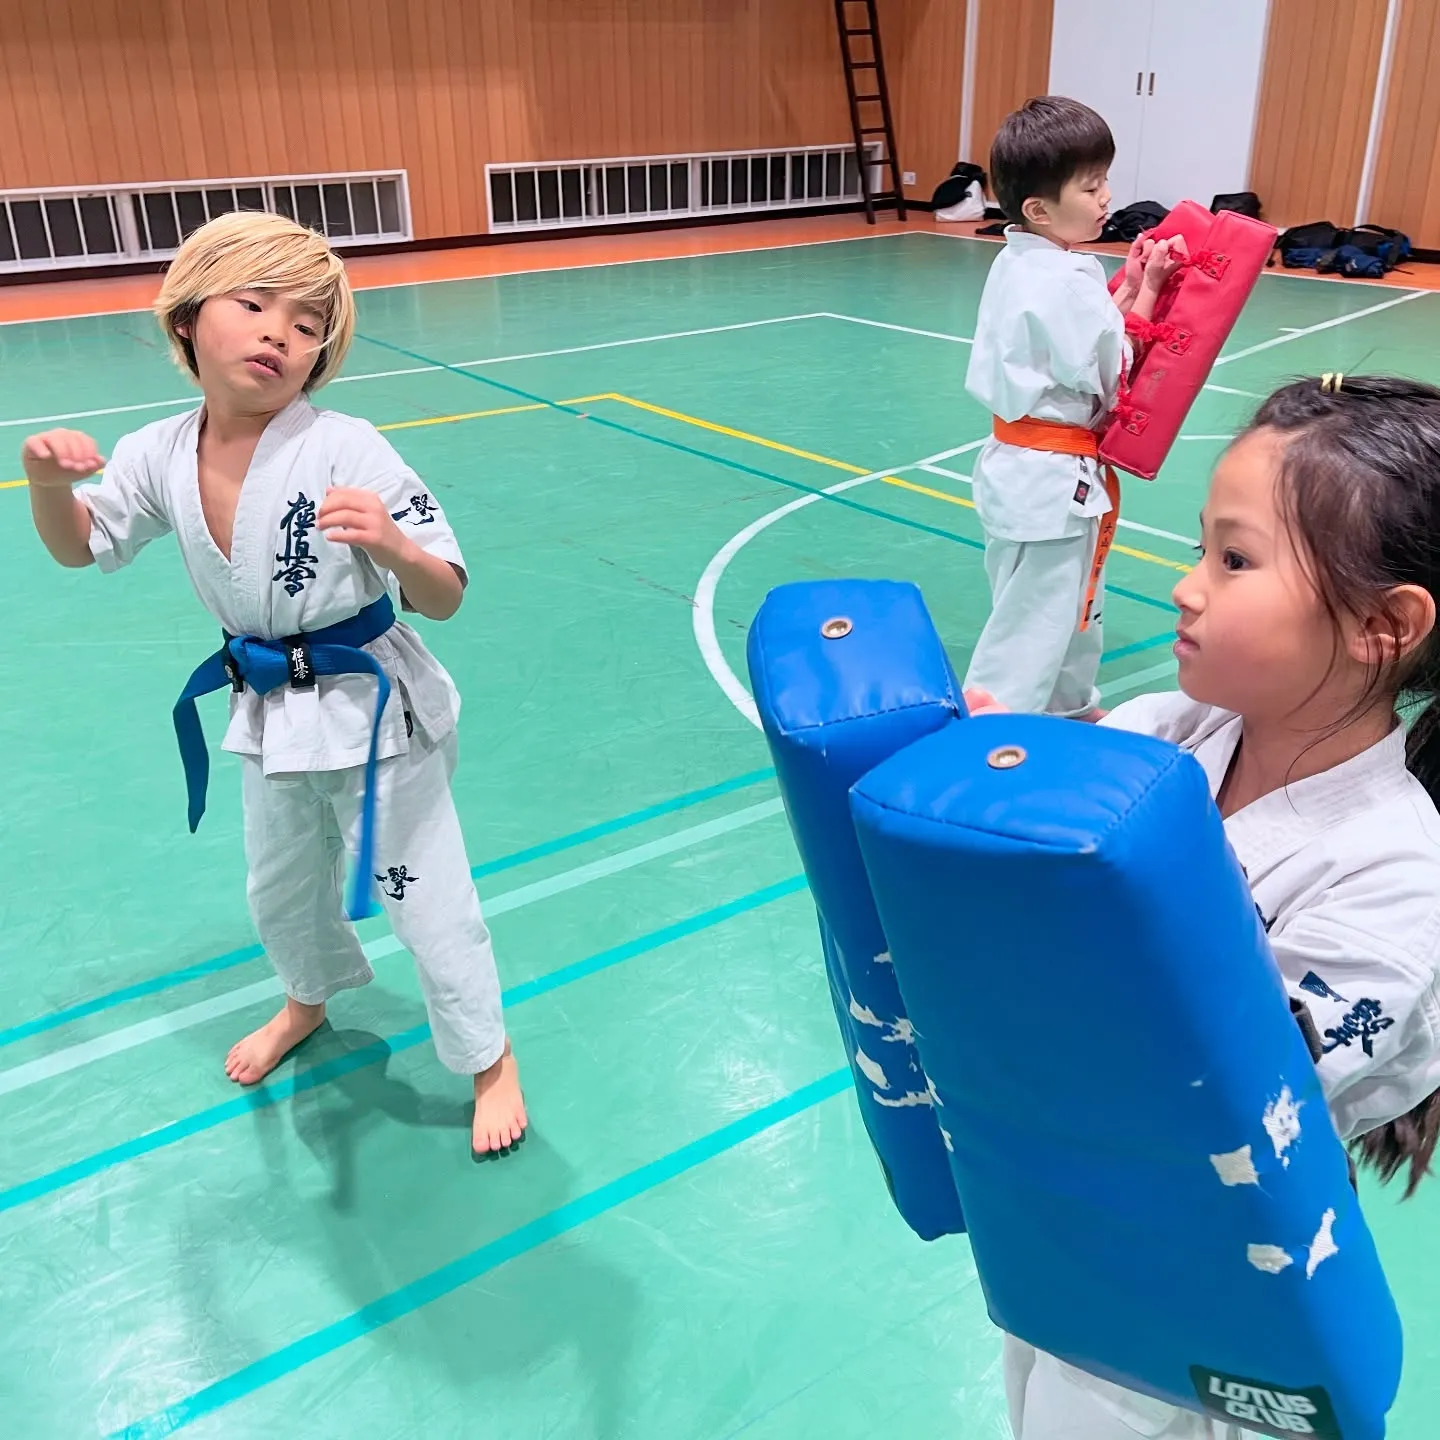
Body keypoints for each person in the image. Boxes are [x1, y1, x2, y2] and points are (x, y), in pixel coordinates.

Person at [972, 374, 1440, 1437]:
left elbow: (1226, 1084)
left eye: (1235, 561)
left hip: (1215, 1279)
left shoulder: (1392, 869)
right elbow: (1028, 841)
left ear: (1382, 624)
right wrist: (981, 776)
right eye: (1201, 549)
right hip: (1073, 1211)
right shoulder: (1170, 729)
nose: (1187, 588)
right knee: (1038, 1399)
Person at [20, 211, 527, 1158]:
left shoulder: (348, 445)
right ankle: (309, 998)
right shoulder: (156, 453)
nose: (277, 335)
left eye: (305, 327)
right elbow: (82, 546)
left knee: (421, 893)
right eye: (253, 305)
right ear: (185, 322)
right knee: (282, 887)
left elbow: (446, 593)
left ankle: (488, 1055)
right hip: (268, 707)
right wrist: (48, 486)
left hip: (376, 708)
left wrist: (393, 544)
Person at [963, 95, 1185, 718]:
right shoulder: (1061, 277)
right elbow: (1116, 369)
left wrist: (1135, 285)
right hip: (1051, 481)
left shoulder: (1023, 261)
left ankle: (1068, 709)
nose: (1106, 197)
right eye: (1091, 187)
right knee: (1034, 620)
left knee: (1064, 603)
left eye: (1104, 181)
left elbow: (1085, 338)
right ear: (1039, 207)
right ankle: (989, 735)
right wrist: (1152, 290)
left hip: (1021, 468)